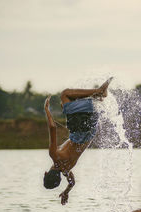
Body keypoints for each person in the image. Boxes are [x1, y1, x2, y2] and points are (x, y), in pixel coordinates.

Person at [43, 77, 113, 205]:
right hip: (79, 130)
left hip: (91, 129)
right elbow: (53, 127)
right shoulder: (55, 156)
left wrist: (66, 192)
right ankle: (99, 91)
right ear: (46, 172)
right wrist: (46, 110)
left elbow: (72, 182)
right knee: (65, 94)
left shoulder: (66, 170)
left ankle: (98, 96)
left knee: (68, 104)